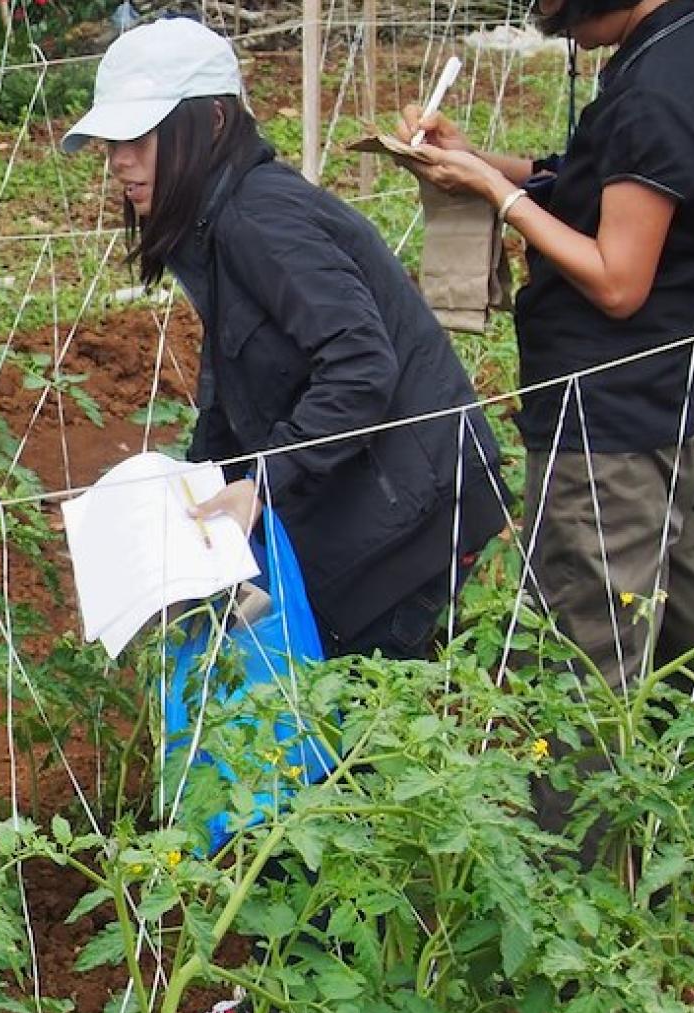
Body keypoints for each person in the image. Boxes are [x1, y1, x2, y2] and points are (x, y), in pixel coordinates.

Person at [63, 18, 509, 661]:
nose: (120, 160)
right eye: (112, 142)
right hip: (380, 501)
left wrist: (265, 480)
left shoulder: (260, 217)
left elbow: (360, 363)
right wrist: (191, 493)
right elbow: (237, 383)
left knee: (362, 722)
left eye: (141, 135)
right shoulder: (215, 226)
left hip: (415, 511)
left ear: (213, 122)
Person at [399, 0, 694, 698]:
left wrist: (497, 195)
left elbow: (617, 280)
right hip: (676, 391)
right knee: (680, 640)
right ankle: (676, 794)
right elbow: (605, 185)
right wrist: (474, 159)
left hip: (609, 428)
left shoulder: (657, 91)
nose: (544, 11)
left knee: (586, 668)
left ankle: (582, 808)